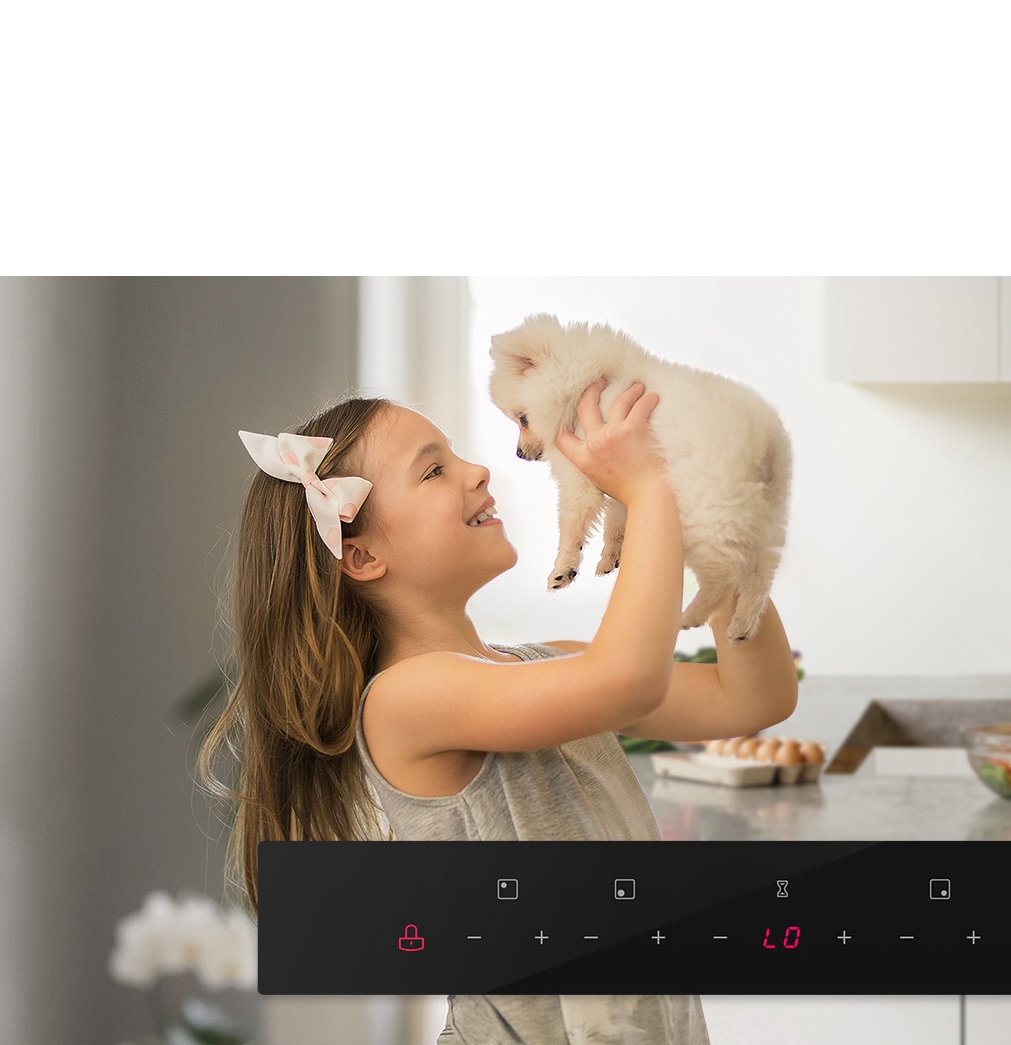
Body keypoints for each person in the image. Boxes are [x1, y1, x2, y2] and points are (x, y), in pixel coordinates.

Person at [198, 379, 799, 1043]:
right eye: (433, 470)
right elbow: (627, 678)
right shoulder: (407, 697)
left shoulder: (544, 665)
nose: (478, 470)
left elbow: (754, 696)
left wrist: (700, 525)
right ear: (363, 556)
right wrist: (649, 489)